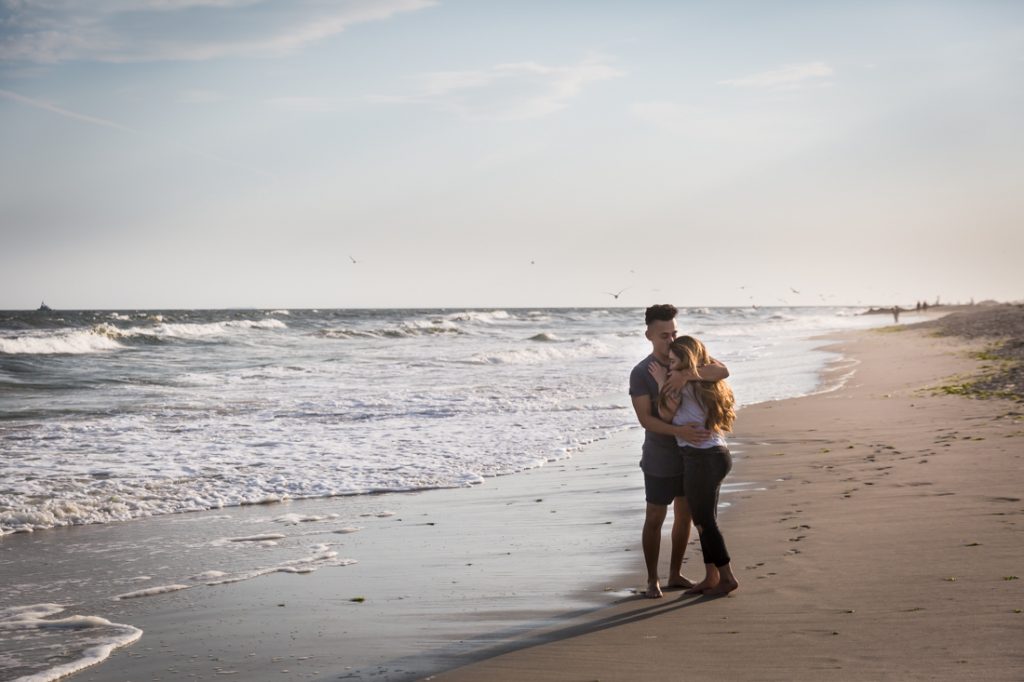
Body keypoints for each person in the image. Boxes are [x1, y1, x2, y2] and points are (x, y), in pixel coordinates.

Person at [629, 304, 730, 599]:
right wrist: (679, 432)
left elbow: (722, 370)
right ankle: (652, 579)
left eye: (674, 333)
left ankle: (674, 573)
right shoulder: (641, 373)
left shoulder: (689, 361)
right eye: (663, 335)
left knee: (685, 516)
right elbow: (646, 419)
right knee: (655, 516)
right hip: (662, 454)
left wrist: (687, 376)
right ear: (648, 335)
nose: (670, 340)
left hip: (694, 454)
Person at [650, 335, 739, 596]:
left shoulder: (681, 383)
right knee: (705, 520)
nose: (669, 365)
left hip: (700, 458)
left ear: (685, 361)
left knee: (704, 522)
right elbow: (722, 369)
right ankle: (712, 576)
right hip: (719, 455)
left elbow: (665, 414)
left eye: (674, 361)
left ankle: (727, 577)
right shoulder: (708, 382)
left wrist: (660, 384)